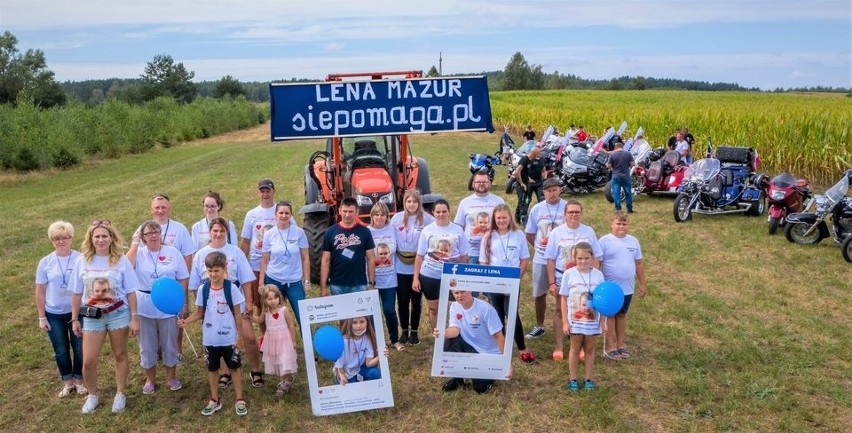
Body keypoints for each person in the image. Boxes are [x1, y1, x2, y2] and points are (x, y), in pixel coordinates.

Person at [69, 220, 140, 414]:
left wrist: (135, 317)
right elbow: (76, 293)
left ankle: (120, 394)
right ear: (91, 239)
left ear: (111, 238)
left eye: (104, 236)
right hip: (92, 317)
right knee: (88, 361)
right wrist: (75, 319)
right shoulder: (82, 260)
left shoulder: (121, 260)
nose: (101, 240)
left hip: (118, 314)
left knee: (120, 354)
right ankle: (92, 395)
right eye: (97, 236)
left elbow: (132, 291)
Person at [190, 217, 262, 388]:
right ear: (210, 232)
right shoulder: (200, 255)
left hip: (235, 300)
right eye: (215, 230)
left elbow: (246, 280)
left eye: (222, 231)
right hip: (213, 304)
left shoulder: (235, 252)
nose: (218, 234)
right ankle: (225, 372)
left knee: (250, 338)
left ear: (227, 232)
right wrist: (202, 307)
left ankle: (255, 370)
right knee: (220, 340)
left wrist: (249, 303)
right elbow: (195, 284)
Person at [179, 252, 248, 416]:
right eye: (209, 271)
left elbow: (238, 314)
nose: (213, 274)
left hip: (230, 338)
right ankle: (214, 399)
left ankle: (239, 398)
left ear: (225, 269)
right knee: (212, 369)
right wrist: (186, 321)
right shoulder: (204, 289)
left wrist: (240, 338)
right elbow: (200, 313)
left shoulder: (232, 289)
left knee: (235, 368)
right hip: (210, 339)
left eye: (216, 270)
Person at [126, 220, 190, 395]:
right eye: (148, 233)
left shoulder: (173, 253)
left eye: (156, 232)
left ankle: (171, 377)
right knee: (147, 345)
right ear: (143, 237)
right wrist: (134, 243)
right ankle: (150, 379)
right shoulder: (138, 253)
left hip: (168, 306)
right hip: (144, 306)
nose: (153, 236)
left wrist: (182, 301)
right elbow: (125, 267)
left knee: (170, 343)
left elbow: (183, 277)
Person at [130, 193, 196, 360]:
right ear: (151, 210)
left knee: (176, 318)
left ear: (169, 208)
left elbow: (188, 255)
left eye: (163, 207)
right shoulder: (142, 228)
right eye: (157, 208)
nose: (160, 210)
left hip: (173, 285)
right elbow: (129, 263)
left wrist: (181, 285)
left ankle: (176, 351)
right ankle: (156, 353)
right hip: (147, 292)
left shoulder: (179, 228)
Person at [544, 199, 603, 362]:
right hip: (562, 276)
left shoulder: (589, 231)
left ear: (581, 214)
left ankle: (582, 348)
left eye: (577, 212)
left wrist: (595, 279)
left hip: (585, 280)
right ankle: (559, 347)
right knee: (559, 310)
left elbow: (597, 256)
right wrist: (551, 282)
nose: (574, 215)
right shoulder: (556, 233)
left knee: (584, 311)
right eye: (570, 212)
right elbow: (549, 259)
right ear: (564, 215)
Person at [478, 204, 535, 364]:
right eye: (498, 218)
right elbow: (483, 261)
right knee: (497, 315)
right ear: (494, 220)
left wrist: (518, 277)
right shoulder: (488, 236)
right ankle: (501, 348)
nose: (502, 220)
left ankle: (522, 348)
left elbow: (524, 259)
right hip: (494, 283)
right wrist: (489, 279)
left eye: (504, 217)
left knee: (512, 314)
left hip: (512, 282)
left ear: (509, 217)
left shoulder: (518, 235)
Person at [35, 221, 86, 398]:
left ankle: (79, 380)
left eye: (65, 238)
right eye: (57, 238)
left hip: (78, 313)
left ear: (71, 239)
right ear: (52, 240)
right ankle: (68, 382)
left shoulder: (81, 258)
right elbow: (40, 291)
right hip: (54, 314)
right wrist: (42, 317)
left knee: (79, 348)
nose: (61, 241)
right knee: (61, 349)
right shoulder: (45, 262)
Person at [435, 288, 505, 394]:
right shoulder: (454, 307)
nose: (459, 296)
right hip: (469, 347)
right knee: (449, 340)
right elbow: (455, 330)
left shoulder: (486, 309)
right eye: (456, 293)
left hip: (488, 354)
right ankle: (458, 378)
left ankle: (490, 374)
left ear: (471, 291)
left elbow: (499, 336)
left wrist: (505, 364)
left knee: (480, 389)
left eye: (463, 291)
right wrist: (442, 333)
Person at [414, 199, 469, 331]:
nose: (441, 214)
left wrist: (462, 275)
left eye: (444, 211)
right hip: (430, 275)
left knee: (454, 306)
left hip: (452, 275)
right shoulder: (427, 230)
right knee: (434, 308)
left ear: (449, 212)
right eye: (438, 211)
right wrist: (415, 278)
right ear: (433, 213)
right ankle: (438, 337)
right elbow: (420, 255)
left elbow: (464, 255)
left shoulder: (457, 230)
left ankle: (455, 333)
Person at [599, 211, 647, 360]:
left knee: (622, 315)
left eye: (624, 224)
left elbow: (638, 263)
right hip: (610, 287)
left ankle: (620, 345)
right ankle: (609, 347)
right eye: (618, 223)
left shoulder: (633, 241)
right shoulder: (604, 241)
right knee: (611, 316)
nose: (621, 226)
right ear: (611, 224)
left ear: (628, 225)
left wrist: (643, 283)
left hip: (628, 287)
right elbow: (598, 263)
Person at [559, 242, 605, 392]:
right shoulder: (569, 274)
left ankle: (588, 379)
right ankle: (572, 379)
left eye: (586, 258)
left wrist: (603, 322)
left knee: (590, 349)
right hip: (575, 322)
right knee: (574, 349)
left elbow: (604, 300)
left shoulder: (598, 275)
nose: (583, 261)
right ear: (574, 258)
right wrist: (565, 322)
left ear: (592, 258)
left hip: (592, 322)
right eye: (580, 258)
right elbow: (564, 299)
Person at [390, 190, 434, 346]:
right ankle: (404, 331)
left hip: (419, 267)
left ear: (418, 203)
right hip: (400, 267)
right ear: (404, 203)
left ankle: (414, 332)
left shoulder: (428, 220)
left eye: (414, 202)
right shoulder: (396, 219)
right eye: (408, 201)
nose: (411, 204)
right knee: (402, 301)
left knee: (416, 300)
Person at [524, 177, 566, 340]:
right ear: (544, 192)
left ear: (560, 190)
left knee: (562, 294)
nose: (552, 193)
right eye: (549, 190)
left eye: (555, 190)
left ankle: (564, 325)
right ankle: (539, 326)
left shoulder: (567, 207)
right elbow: (529, 233)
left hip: (562, 259)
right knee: (539, 293)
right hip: (541, 258)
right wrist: (541, 248)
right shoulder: (537, 209)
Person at [258, 201, 310, 327]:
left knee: (303, 316)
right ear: (276, 214)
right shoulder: (269, 234)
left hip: (294, 281)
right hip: (274, 280)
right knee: (275, 317)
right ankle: (280, 345)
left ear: (291, 215)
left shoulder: (299, 233)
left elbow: (305, 258)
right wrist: (261, 283)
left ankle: (308, 345)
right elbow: (265, 260)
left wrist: (306, 281)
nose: (284, 216)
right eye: (281, 213)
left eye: (287, 213)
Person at [320, 197, 376, 296]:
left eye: (351, 211)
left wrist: (371, 283)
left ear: (356, 212)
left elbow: (371, 258)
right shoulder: (330, 232)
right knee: (339, 311)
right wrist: (323, 286)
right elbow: (325, 260)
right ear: (340, 211)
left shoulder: (365, 232)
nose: (347, 215)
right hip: (337, 284)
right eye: (345, 211)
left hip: (359, 284)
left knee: (360, 312)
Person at [367, 202, 404, 351]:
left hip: (389, 279)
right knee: (372, 312)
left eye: (382, 214)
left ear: (387, 216)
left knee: (389, 310)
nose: (379, 217)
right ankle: (376, 342)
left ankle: (394, 339)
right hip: (372, 279)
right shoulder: (366, 232)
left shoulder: (392, 230)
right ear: (372, 216)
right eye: (376, 214)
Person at [251, 285, 298, 396]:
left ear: (279, 297)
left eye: (275, 298)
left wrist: (293, 340)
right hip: (273, 340)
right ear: (265, 300)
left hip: (284, 339)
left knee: (284, 360)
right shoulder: (266, 311)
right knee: (278, 360)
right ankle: (286, 379)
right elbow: (260, 320)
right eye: (269, 299)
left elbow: (291, 325)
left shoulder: (283, 310)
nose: (273, 301)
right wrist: (250, 316)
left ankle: (285, 382)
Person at [240, 179, 278, 314]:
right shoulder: (252, 214)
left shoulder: (280, 210)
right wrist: (242, 264)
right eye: (262, 191)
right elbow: (245, 241)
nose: (265, 194)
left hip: (276, 264)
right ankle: (265, 333)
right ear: (258, 193)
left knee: (276, 302)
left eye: (268, 191)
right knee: (259, 303)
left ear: (274, 192)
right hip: (256, 264)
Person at [454, 171, 505, 265]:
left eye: (484, 182)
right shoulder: (465, 203)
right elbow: (458, 227)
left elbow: (504, 225)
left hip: (493, 251)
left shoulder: (498, 201)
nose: (481, 184)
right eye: (478, 182)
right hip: (471, 253)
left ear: (489, 183)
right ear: (473, 184)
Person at [333, 316, 382, 384]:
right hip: (344, 371)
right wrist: (342, 376)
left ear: (367, 322)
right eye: (354, 322)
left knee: (375, 373)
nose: (358, 325)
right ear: (349, 323)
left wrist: (381, 356)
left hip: (358, 368)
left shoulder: (367, 339)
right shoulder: (343, 341)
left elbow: (368, 363)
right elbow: (339, 364)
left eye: (362, 322)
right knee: (350, 386)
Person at [513, 146, 547, 224]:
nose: (540, 154)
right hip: (524, 184)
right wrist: (522, 183)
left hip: (533, 183)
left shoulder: (534, 160)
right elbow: (517, 171)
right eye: (539, 152)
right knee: (524, 201)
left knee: (538, 199)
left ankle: (539, 217)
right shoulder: (525, 159)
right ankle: (521, 218)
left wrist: (530, 178)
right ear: (535, 153)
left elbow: (527, 171)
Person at [606, 139, 636, 213]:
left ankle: (618, 208)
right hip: (626, 176)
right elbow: (633, 164)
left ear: (615, 147)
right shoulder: (628, 153)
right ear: (622, 147)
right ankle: (629, 209)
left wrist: (610, 166)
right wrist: (627, 165)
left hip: (616, 176)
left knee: (616, 192)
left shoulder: (612, 154)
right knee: (628, 192)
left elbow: (608, 165)